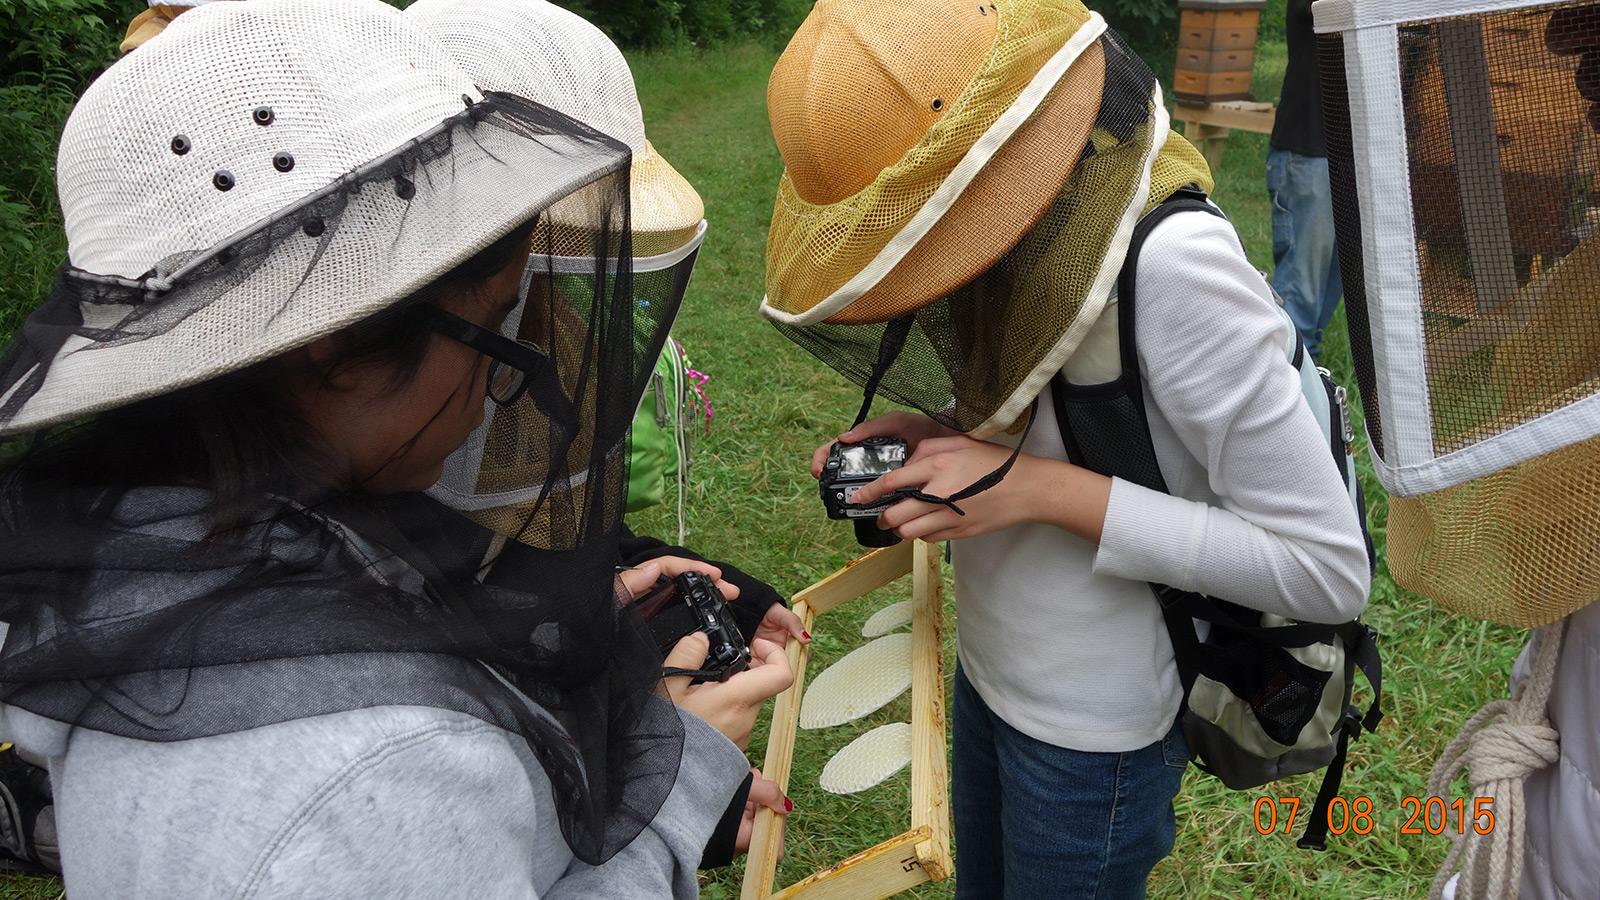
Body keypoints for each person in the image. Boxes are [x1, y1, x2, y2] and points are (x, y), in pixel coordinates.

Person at [0, 1, 791, 896]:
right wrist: (682, 785)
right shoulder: (373, 774)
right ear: (332, 345)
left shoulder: (156, 530)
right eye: (495, 332)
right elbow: (383, 804)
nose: (506, 386)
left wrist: (534, 612)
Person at [761, 1, 1372, 896]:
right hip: (990, 676)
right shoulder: (1010, 243)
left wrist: (1037, 489)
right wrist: (943, 435)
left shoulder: (1176, 269)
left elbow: (1325, 571)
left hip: (1095, 741)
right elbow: (1048, 402)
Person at [1268, 0, 1343, 359]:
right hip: (1309, 153)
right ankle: (1279, 389)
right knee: (1298, 308)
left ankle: (1306, 387)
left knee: (1327, 291)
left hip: (1355, 154)